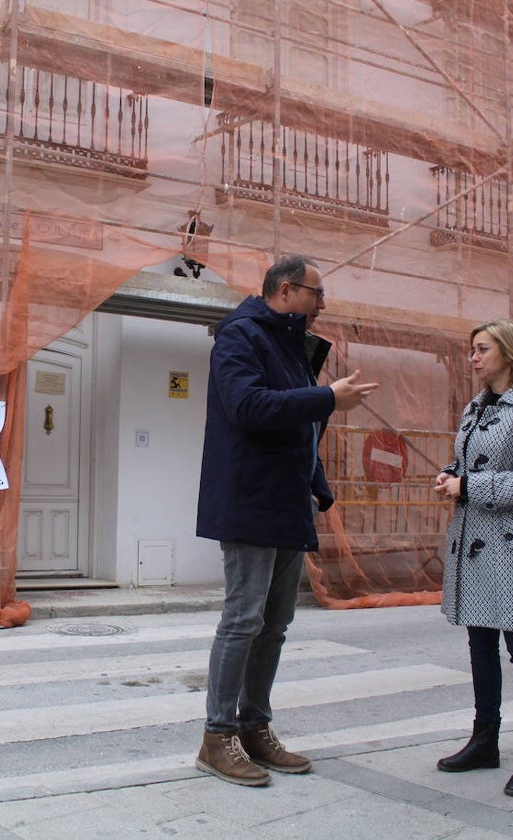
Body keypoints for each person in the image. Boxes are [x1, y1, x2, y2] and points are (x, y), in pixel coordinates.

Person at [195, 254, 377, 786]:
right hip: (250, 500)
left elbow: (297, 427)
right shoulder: (241, 335)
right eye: (316, 295)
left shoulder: (289, 344)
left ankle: (254, 727)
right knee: (243, 619)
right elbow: (248, 407)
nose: (322, 305)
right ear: (285, 290)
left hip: (287, 499)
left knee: (274, 626)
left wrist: (319, 486)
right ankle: (216, 736)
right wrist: (326, 397)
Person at [432, 319, 513, 798]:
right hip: (473, 541)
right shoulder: (475, 407)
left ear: (509, 353)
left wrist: (468, 486)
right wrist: (453, 473)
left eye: (482, 349)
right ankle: (484, 739)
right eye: (471, 349)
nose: (473, 357)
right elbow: (471, 461)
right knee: (480, 645)